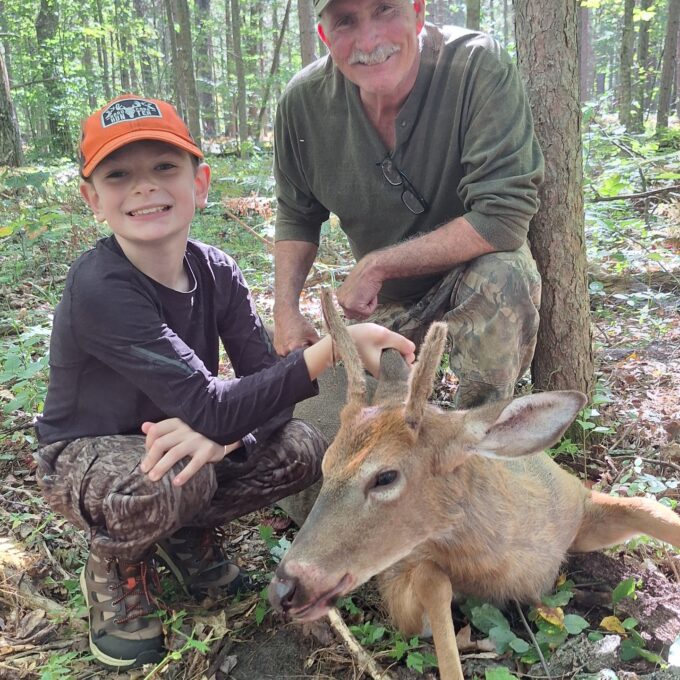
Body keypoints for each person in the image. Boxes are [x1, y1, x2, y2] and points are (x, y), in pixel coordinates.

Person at [33, 94, 415, 671]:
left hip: (184, 436)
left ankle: (184, 537)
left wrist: (228, 435)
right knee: (167, 479)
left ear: (200, 183)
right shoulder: (100, 287)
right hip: (85, 453)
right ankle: (116, 564)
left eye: (164, 167)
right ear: (94, 200)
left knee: (301, 448)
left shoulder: (216, 270)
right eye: (118, 175)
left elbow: (265, 388)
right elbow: (219, 403)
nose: (144, 187)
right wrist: (333, 347)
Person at [273, 0, 545, 409]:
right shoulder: (303, 104)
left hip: (473, 276)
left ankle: (479, 429)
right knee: (327, 412)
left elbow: (502, 217)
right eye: (346, 21)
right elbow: (298, 215)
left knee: (505, 274)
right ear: (325, 36)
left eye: (385, 9)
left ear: (418, 12)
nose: (369, 41)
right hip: (388, 302)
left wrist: (377, 265)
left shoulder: (476, 67)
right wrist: (285, 311)